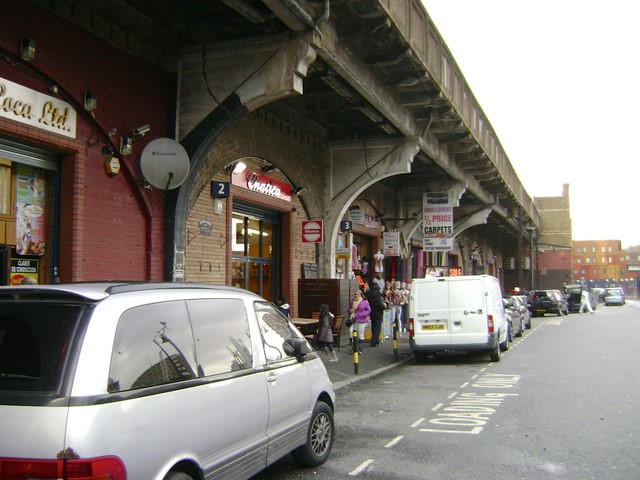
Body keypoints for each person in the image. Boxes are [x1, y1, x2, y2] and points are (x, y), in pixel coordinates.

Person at [367, 282, 386, 346]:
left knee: (373, 327)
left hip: (372, 313)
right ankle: (374, 342)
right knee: (377, 328)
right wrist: (385, 307)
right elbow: (382, 306)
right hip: (379, 314)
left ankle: (376, 341)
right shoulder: (379, 295)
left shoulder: (369, 295)